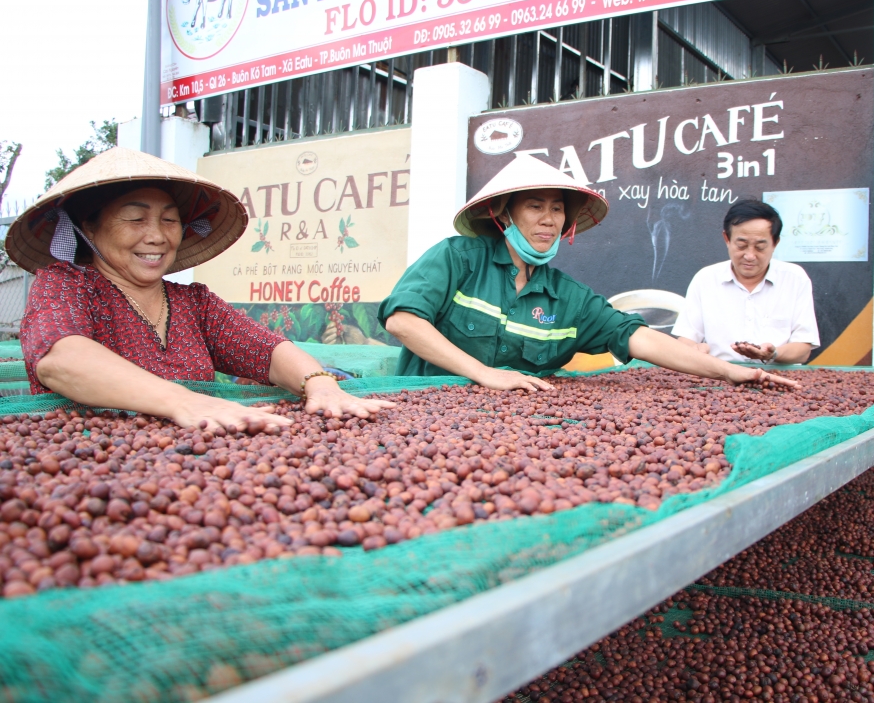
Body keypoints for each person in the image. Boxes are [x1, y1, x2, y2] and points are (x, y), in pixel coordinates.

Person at [7, 148, 393, 432]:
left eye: (170, 220)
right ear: (88, 228)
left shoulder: (192, 303)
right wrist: (181, 402)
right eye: (136, 218)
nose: (156, 236)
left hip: (200, 454)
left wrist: (320, 384)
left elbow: (267, 349)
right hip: (92, 458)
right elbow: (62, 361)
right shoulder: (66, 285)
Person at [378, 156, 799, 391]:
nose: (548, 220)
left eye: (557, 208)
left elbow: (639, 337)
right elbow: (403, 319)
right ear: (503, 212)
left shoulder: (568, 299)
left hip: (507, 435)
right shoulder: (458, 258)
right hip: (423, 412)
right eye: (535, 206)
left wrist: (730, 371)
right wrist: (485, 374)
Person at [672, 199, 820, 364]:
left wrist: (773, 353)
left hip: (777, 377)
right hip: (720, 377)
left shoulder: (795, 278)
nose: (750, 255)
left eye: (760, 247)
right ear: (727, 239)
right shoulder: (705, 279)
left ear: (775, 243)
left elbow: (802, 349)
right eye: (741, 245)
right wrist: (695, 350)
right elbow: (686, 339)